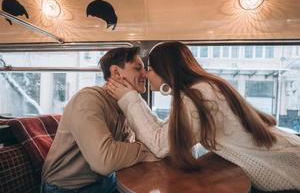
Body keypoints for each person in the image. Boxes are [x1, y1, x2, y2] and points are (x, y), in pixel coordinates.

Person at [107, 41, 300, 191]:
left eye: (149, 69)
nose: (146, 75)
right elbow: (168, 131)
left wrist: (129, 98)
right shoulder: (203, 88)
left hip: (286, 174)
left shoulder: (198, 97)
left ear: (165, 70)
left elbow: (160, 146)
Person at [41, 47, 157, 193]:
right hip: (68, 188)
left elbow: (131, 144)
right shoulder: (88, 100)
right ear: (116, 72)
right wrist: (149, 149)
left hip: (107, 180)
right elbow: (105, 160)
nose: (145, 74)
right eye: (137, 68)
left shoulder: (125, 104)